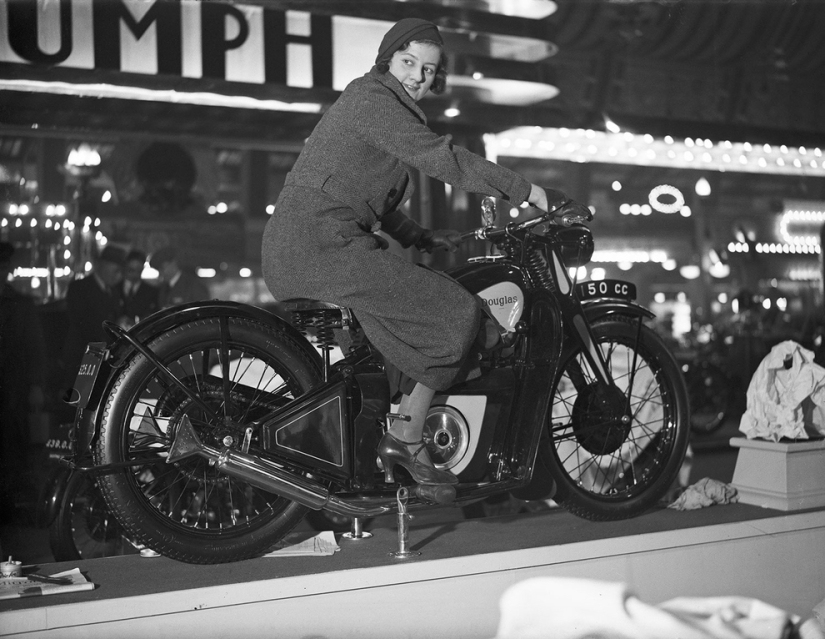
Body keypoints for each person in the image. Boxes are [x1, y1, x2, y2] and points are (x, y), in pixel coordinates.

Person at [261, 18, 561, 491]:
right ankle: (407, 435)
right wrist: (530, 192)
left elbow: (355, 193)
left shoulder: (378, 104)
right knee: (457, 311)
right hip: (319, 247)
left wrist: (420, 236)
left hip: (310, 243)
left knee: (384, 344)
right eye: (408, 62)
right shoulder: (373, 100)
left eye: (428, 69)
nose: (417, 76)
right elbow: (446, 159)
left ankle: (364, 458)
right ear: (387, 59)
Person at [1, 242, 47, 511]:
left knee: (11, 448)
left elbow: (35, 348)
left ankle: (7, 504)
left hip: (11, 388)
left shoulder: (21, 304)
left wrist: (35, 386)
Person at [60, 245, 125, 395]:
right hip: (85, 354)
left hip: (105, 356)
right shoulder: (80, 288)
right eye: (115, 270)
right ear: (102, 266)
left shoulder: (113, 291)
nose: (118, 275)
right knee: (81, 400)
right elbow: (80, 322)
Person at [117, 248, 159, 326]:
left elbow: (154, 317)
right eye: (131, 270)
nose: (135, 275)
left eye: (139, 271)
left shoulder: (151, 291)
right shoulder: (114, 288)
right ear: (125, 267)